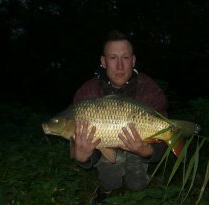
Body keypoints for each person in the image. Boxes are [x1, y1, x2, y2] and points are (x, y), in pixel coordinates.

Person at [72, 30, 168, 204]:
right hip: (105, 150)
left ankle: (137, 174)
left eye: (125, 58)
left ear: (133, 61)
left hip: (140, 147)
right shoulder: (87, 93)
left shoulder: (150, 90)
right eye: (113, 58)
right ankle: (109, 187)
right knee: (110, 182)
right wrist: (83, 158)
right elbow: (81, 143)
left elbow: (163, 137)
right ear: (103, 61)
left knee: (137, 184)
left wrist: (146, 151)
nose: (119, 66)